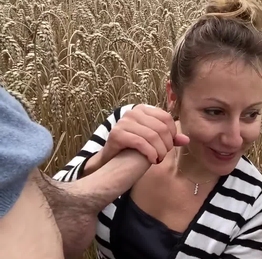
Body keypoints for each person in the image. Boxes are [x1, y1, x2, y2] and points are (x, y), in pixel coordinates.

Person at [52, 0, 262, 258]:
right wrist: (102, 161)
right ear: (174, 96)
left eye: (251, 114)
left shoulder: (255, 207)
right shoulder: (127, 123)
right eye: (215, 112)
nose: (234, 138)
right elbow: (47, 213)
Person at [0, 86, 177, 259]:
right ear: (173, 96)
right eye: (206, 111)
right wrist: (101, 160)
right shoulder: (133, 122)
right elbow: (55, 207)